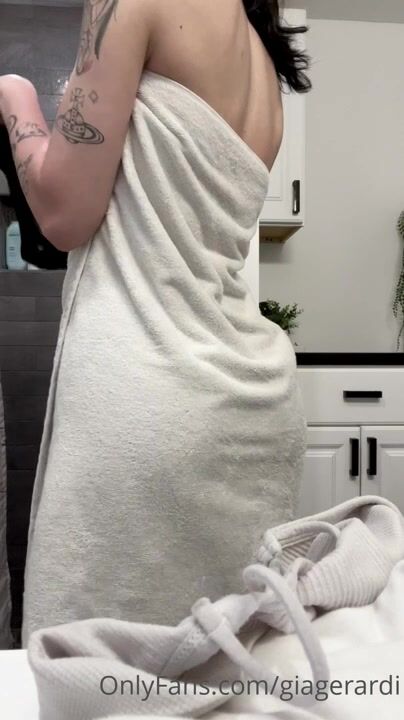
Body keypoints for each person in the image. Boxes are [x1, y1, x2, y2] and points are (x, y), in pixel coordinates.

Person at [0, 0, 311, 647]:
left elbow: (62, 216)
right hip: (249, 404)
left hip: (148, 393)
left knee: (101, 672)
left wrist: (15, 99)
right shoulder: (263, 63)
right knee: (222, 668)